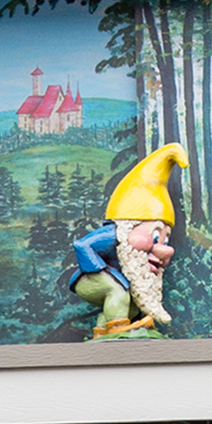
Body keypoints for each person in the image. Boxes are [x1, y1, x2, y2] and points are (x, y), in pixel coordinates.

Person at [67, 143, 188, 336]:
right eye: (155, 237)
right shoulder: (114, 234)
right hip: (88, 279)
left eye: (165, 241)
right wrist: (103, 271)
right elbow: (81, 245)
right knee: (119, 290)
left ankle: (103, 329)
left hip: (112, 281)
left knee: (130, 300)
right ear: (129, 226)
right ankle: (117, 328)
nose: (164, 250)